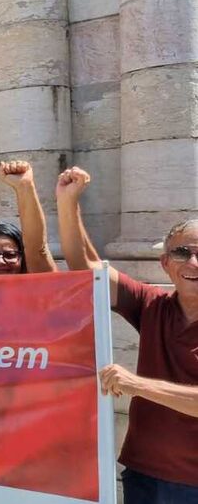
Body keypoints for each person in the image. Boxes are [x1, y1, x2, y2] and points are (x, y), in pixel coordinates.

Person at [56, 166, 198, 501]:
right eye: (182, 253)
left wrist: (136, 384)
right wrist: (68, 202)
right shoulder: (152, 304)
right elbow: (85, 270)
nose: (193, 263)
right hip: (142, 476)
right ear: (165, 263)